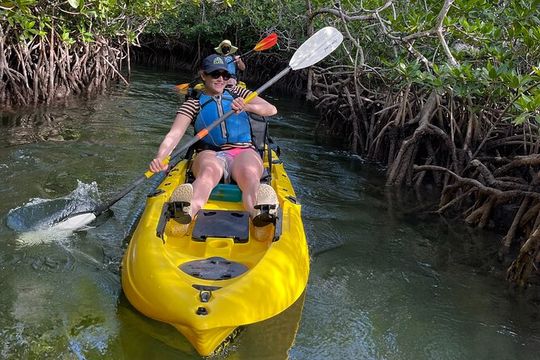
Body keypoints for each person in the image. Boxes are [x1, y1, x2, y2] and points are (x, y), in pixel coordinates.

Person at [149, 54, 278, 228]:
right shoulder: (193, 104)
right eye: (215, 74)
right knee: (208, 172)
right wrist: (161, 157)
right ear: (203, 75)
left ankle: (260, 214)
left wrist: (247, 106)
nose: (221, 79)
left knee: (249, 174)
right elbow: (174, 134)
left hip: (243, 150)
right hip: (210, 153)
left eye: (225, 75)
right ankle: (186, 211)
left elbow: (271, 109)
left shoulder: (239, 93)